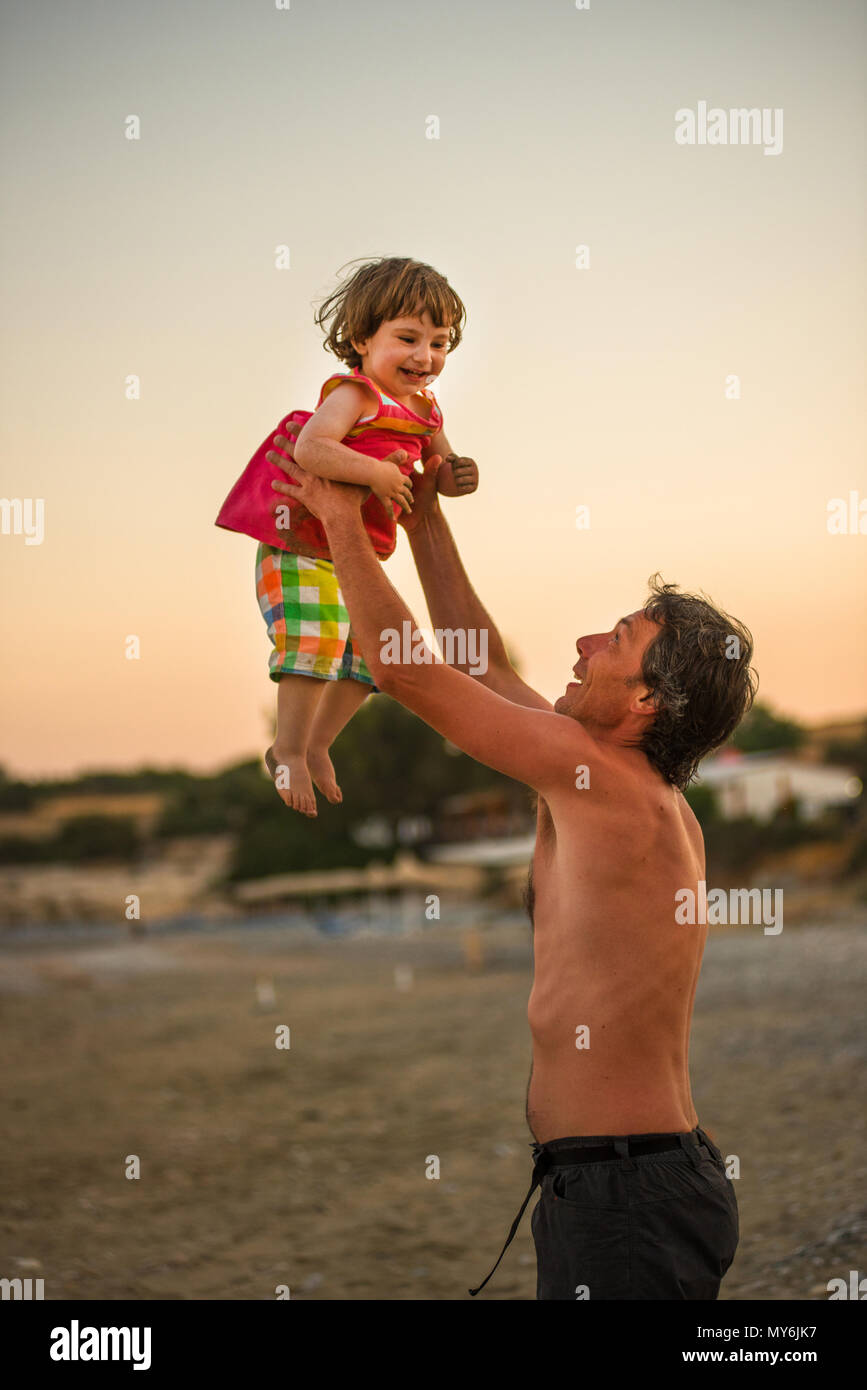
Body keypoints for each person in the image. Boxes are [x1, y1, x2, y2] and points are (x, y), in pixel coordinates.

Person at [266, 421, 756, 1300]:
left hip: (629, 1194)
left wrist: (341, 517)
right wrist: (417, 516)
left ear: (646, 699)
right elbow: (476, 662)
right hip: (610, 1182)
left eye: (611, 641)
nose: (579, 647)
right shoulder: (602, 774)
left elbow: (409, 671)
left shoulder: (609, 785)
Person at [215, 256, 478, 816]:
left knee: (371, 658)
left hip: (353, 557)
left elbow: (439, 470)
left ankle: (317, 743)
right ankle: (286, 748)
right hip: (301, 546)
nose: (424, 357)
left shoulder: (425, 409)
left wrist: (457, 477)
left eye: (439, 343)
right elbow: (312, 448)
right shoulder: (355, 394)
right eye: (407, 338)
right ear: (362, 338)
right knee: (316, 638)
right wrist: (375, 473)